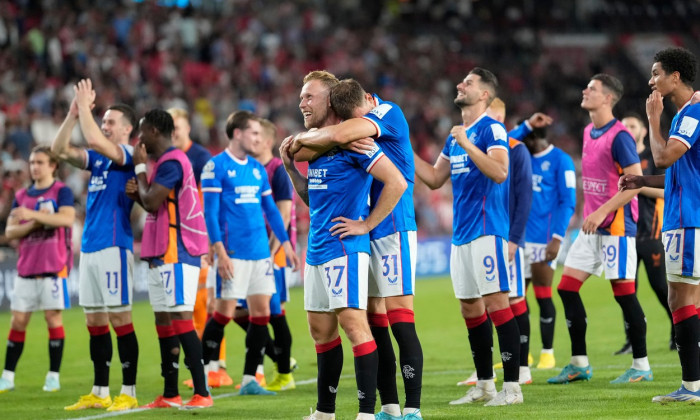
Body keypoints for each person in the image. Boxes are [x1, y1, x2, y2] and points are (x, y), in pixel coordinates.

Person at [290, 77, 423, 420]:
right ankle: (388, 407)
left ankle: (411, 410)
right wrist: (292, 159)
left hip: (389, 227)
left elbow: (342, 139)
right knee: (375, 321)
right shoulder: (325, 143)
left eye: (309, 97)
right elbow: (309, 172)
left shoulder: (377, 119)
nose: (302, 103)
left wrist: (364, 224)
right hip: (335, 240)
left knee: (397, 320)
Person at [414, 68, 523, 406]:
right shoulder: (455, 135)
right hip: (460, 236)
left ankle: (513, 389)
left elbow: (501, 171)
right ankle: (486, 386)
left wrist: (467, 144)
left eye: (469, 83)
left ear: (485, 95)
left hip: (488, 230)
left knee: (496, 305)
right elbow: (433, 178)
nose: (460, 85)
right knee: (470, 309)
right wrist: (401, 148)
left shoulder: (491, 127)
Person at [547, 74, 651, 385]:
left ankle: (642, 366)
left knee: (624, 295)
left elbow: (636, 182)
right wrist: (589, 214)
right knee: (566, 287)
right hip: (591, 226)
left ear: (607, 98)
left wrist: (603, 212)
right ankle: (579, 363)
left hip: (616, 225)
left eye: (592, 89)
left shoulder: (620, 136)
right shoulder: (588, 131)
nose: (585, 90)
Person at [51, 79, 140, 412]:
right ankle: (100, 391)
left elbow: (91, 139)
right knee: (95, 322)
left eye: (110, 122)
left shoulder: (127, 155)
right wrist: (73, 114)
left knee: (121, 320)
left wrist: (86, 109)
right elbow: (59, 151)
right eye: (102, 121)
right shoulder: (99, 160)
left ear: (127, 129)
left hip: (114, 246)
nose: (104, 126)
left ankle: (128, 391)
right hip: (89, 247)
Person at [199, 110, 299, 397]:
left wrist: (286, 244)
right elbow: (211, 212)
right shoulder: (215, 167)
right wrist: (219, 250)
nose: (258, 138)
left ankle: (249, 380)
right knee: (224, 313)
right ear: (238, 133)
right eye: (254, 133)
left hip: (261, 256)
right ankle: (203, 373)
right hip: (233, 253)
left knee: (261, 315)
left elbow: (271, 210)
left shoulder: (256, 169)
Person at [620, 46, 700, 403]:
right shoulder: (688, 113)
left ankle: (692, 387)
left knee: (681, 297)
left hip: (688, 221)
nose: (651, 80)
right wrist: (642, 182)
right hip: (683, 217)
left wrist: (653, 119)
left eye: (656, 74)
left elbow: (664, 157)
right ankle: (692, 385)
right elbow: (678, 177)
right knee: (683, 297)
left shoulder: (690, 113)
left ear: (675, 77)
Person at [130, 109, 212, 409]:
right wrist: (139, 193)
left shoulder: (173, 161)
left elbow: (152, 202)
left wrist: (140, 173)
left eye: (141, 132)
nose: (139, 140)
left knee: (180, 318)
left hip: (176, 250)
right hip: (159, 251)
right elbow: (155, 202)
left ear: (153, 131)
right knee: (163, 320)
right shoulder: (166, 163)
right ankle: (170, 393)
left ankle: (202, 392)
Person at [166, 109, 233, 389]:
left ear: (187, 129)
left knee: (209, 305)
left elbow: (208, 205)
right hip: (181, 243)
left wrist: (210, 241)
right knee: (193, 306)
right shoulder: (169, 159)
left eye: (178, 127)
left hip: (201, 241)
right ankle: (208, 365)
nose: (174, 133)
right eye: (171, 128)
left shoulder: (200, 158)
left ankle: (217, 365)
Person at [0, 146, 74, 394]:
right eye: (32, 162)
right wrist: (38, 220)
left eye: (40, 162)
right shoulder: (21, 195)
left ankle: (53, 376)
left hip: (53, 269)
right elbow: (10, 232)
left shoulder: (62, 191)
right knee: (18, 321)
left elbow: (65, 219)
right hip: (26, 268)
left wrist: (29, 217)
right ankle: (7, 376)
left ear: (53, 165)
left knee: (53, 319)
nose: (35, 167)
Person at [231, 117, 298, 392]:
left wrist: (269, 253)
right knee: (241, 311)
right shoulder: (253, 170)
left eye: (257, 136)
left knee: (273, 313)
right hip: (253, 251)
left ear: (267, 141)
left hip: (273, 252)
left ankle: (283, 373)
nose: (253, 140)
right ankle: (279, 362)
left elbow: (282, 216)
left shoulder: (277, 170)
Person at [614, 113, 673, 355]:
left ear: (643, 131)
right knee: (627, 292)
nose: (627, 129)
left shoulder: (653, 158)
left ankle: (676, 330)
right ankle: (632, 340)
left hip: (651, 233)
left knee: (661, 287)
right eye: (624, 125)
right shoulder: (620, 158)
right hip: (625, 233)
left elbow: (666, 192)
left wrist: (638, 184)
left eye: (632, 125)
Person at [521, 125, 576, 369]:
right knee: (516, 299)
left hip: (543, 239)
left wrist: (557, 237)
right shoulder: (521, 159)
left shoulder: (561, 160)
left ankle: (547, 353)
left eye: (524, 137)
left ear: (533, 138)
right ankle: (524, 354)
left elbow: (568, 202)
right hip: (518, 239)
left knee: (543, 296)